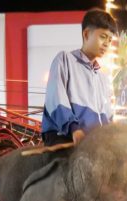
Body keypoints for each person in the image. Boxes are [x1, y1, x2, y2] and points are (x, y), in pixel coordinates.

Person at [41, 8, 117, 147]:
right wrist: (74, 129)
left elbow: (108, 116)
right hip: (65, 137)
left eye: (110, 39)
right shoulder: (65, 60)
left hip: (93, 144)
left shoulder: (103, 78)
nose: (107, 43)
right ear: (86, 34)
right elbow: (56, 99)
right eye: (103, 36)